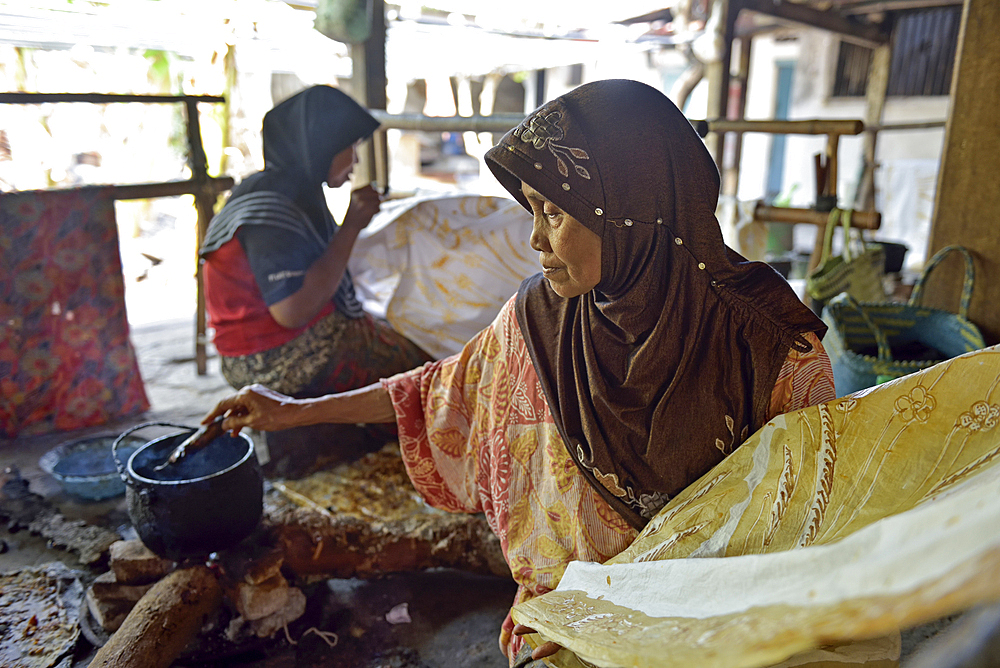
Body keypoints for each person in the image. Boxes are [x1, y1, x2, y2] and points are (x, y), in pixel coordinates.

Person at [202, 79, 836, 665]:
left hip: (712, 640)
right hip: (562, 627)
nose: (535, 239)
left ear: (633, 209)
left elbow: (803, 542)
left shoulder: (772, 352)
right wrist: (291, 411)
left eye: (553, 213)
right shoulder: (542, 317)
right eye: (530, 210)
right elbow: (436, 389)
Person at [199, 85, 432, 477]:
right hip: (272, 355)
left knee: (398, 330)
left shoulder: (284, 190)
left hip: (262, 343)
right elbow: (292, 310)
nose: (355, 160)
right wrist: (352, 226)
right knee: (422, 363)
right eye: (350, 146)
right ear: (321, 145)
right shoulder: (271, 207)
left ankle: (360, 438)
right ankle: (402, 457)